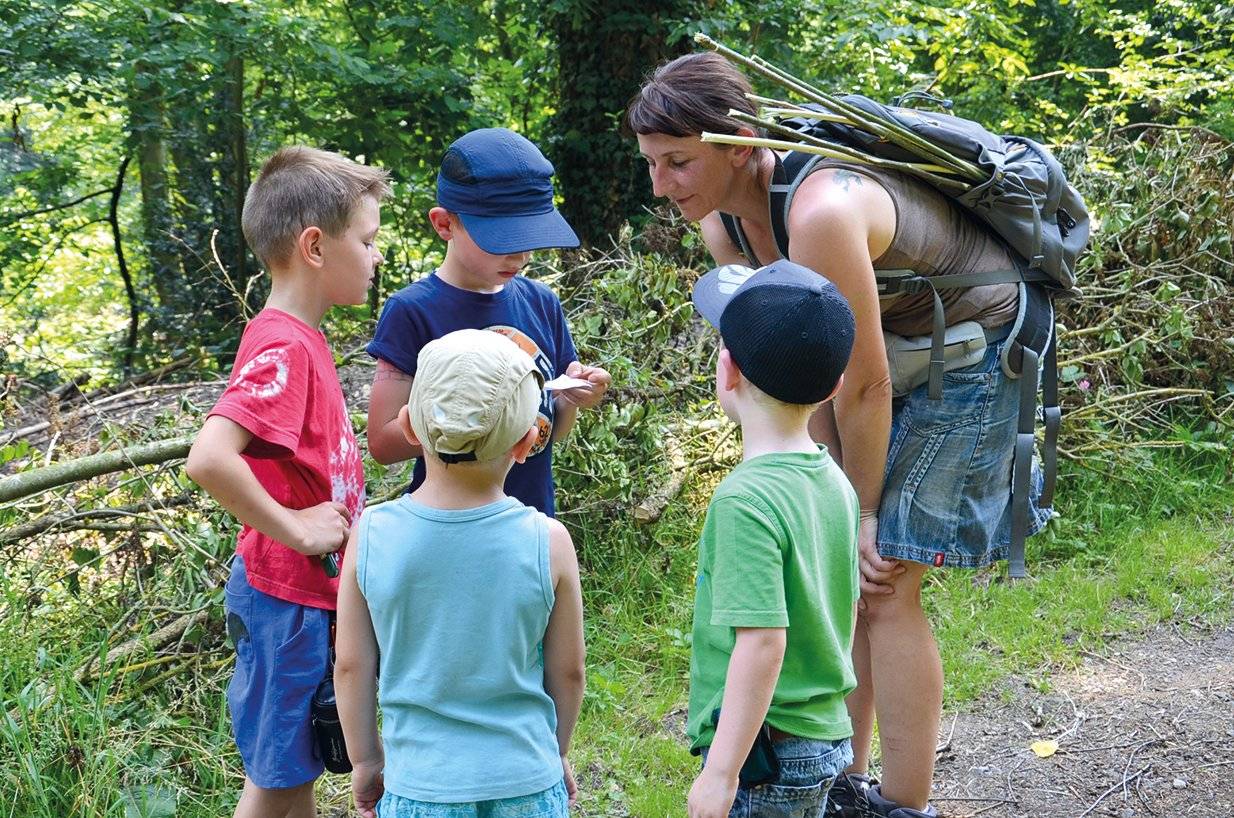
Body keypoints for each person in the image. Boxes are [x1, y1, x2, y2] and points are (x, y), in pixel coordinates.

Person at [627, 54, 1051, 818]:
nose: (662, 186)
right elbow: (801, 373)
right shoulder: (724, 222)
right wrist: (819, 480)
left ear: (739, 139)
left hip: (976, 345)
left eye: (678, 162)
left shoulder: (820, 210)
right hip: (880, 354)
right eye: (653, 165)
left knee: (884, 576)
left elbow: (863, 384)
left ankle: (902, 804)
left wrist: (856, 511)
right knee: (843, 574)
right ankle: (841, 783)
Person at [185, 146, 390, 818]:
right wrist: (298, 526)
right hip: (284, 598)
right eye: (367, 240)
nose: (376, 256)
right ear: (314, 245)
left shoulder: (301, 336)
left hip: (303, 597)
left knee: (293, 775)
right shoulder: (285, 345)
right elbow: (210, 458)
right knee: (277, 781)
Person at [334, 328, 586, 818]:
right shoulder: (549, 541)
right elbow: (569, 672)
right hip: (526, 782)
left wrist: (365, 761)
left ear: (408, 427)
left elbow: (351, 667)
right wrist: (555, 753)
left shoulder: (372, 534)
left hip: (419, 786)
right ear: (528, 441)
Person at [684, 259, 860, 818]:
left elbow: (763, 643)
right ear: (833, 386)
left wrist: (720, 773)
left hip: (769, 755)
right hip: (826, 736)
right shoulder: (834, 478)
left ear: (728, 370)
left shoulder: (745, 501)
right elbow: (844, 608)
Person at [366, 127, 611, 517]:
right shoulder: (412, 311)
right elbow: (382, 442)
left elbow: (552, 432)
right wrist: (471, 421)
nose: (520, 255)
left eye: (528, 237)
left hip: (529, 523)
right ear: (445, 224)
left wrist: (571, 398)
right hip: (445, 526)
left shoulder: (542, 304)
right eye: (501, 239)